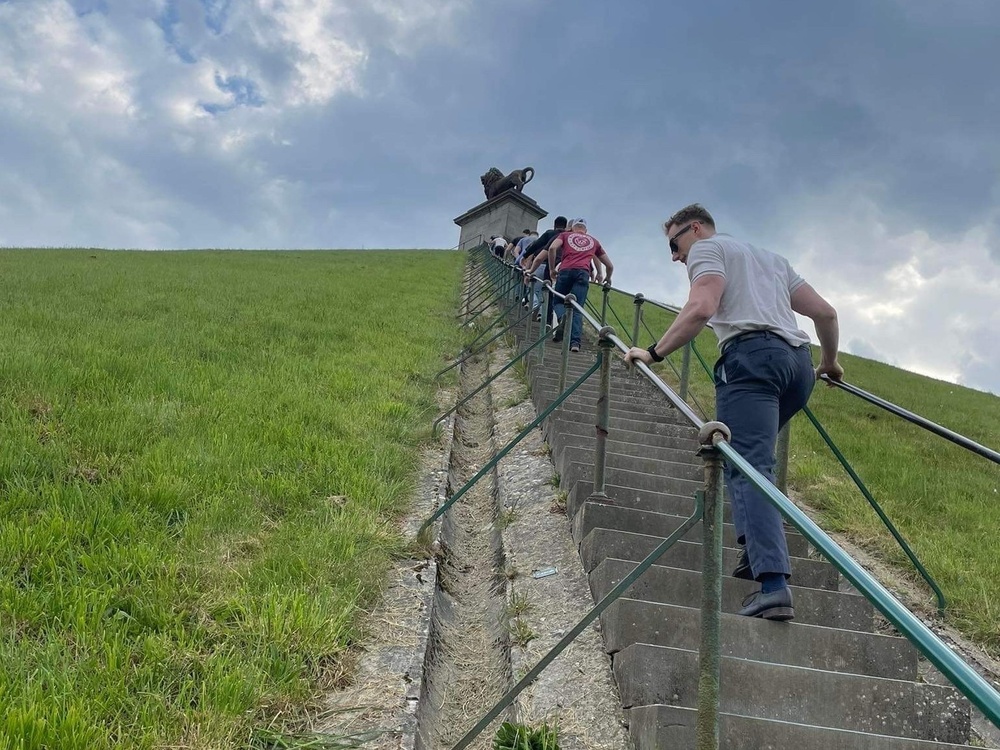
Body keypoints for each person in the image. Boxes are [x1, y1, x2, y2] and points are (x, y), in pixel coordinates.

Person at [623, 204, 842, 621]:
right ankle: (751, 551)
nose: (674, 256)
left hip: (751, 361)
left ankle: (773, 584)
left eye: (674, 244)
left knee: (748, 466)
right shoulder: (772, 260)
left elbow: (702, 308)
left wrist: (652, 352)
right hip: (798, 367)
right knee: (750, 457)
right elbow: (825, 313)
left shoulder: (707, 250)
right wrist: (829, 362)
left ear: (696, 228)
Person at [547, 218, 613, 353]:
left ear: (572, 228)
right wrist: (607, 277)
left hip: (565, 271)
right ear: (586, 230)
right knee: (577, 309)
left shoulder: (565, 235)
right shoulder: (593, 241)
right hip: (583, 273)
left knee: (558, 301)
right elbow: (610, 265)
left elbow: (552, 248)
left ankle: (562, 318)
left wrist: (552, 268)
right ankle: (575, 343)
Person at [523, 216, 569, 321]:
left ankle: (546, 318)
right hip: (566, 267)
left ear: (554, 225)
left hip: (550, 267)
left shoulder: (550, 234)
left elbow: (536, 245)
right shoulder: (567, 236)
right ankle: (554, 319)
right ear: (565, 226)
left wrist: (525, 255)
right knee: (560, 296)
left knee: (546, 291)